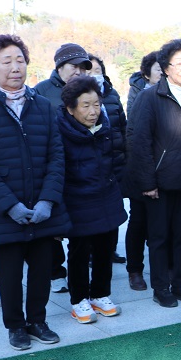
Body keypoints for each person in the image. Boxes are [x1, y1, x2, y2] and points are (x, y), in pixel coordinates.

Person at [0, 34, 71, 351]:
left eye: (20, 60)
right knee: (8, 275)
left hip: (41, 207)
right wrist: (9, 206)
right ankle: (15, 326)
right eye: (7, 62)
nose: (15, 67)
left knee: (41, 269)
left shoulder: (43, 106)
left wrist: (47, 201)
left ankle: (37, 320)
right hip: (3, 211)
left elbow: (56, 156)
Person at [127, 39, 181, 308]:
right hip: (159, 185)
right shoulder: (150, 97)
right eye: (180, 63)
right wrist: (147, 181)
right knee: (160, 238)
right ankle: (161, 287)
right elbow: (139, 142)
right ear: (165, 67)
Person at [57, 75, 127, 323]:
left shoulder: (104, 127)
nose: (93, 111)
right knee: (79, 252)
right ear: (71, 108)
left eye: (96, 104)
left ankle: (100, 294)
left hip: (106, 196)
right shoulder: (61, 131)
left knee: (105, 248)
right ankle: (79, 300)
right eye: (85, 105)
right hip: (77, 200)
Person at [35, 43, 93, 293]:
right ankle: (55, 271)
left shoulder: (90, 91)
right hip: (52, 167)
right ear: (59, 66)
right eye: (73, 66)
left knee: (80, 226)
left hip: (82, 168)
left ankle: (80, 273)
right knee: (53, 225)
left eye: (83, 67)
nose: (78, 71)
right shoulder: (41, 92)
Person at [124, 52, 161, 289]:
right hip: (141, 170)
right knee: (138, 223)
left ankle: (163, 267)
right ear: (147, 73)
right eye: (158, 69)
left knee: (160, 223)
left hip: (167, 170)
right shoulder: (139, 96)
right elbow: (133, 137)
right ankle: (135, 270)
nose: (163, 73)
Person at [88, 54, 128, 265]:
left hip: (116, 162)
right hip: (93, 165)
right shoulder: (82, 100)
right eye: (90, 71)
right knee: (95, 211)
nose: (95, 75)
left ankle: (110, 250)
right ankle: (94, 253)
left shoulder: (112, 96)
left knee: (114, 210)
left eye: (98, 70)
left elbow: (123, 126)